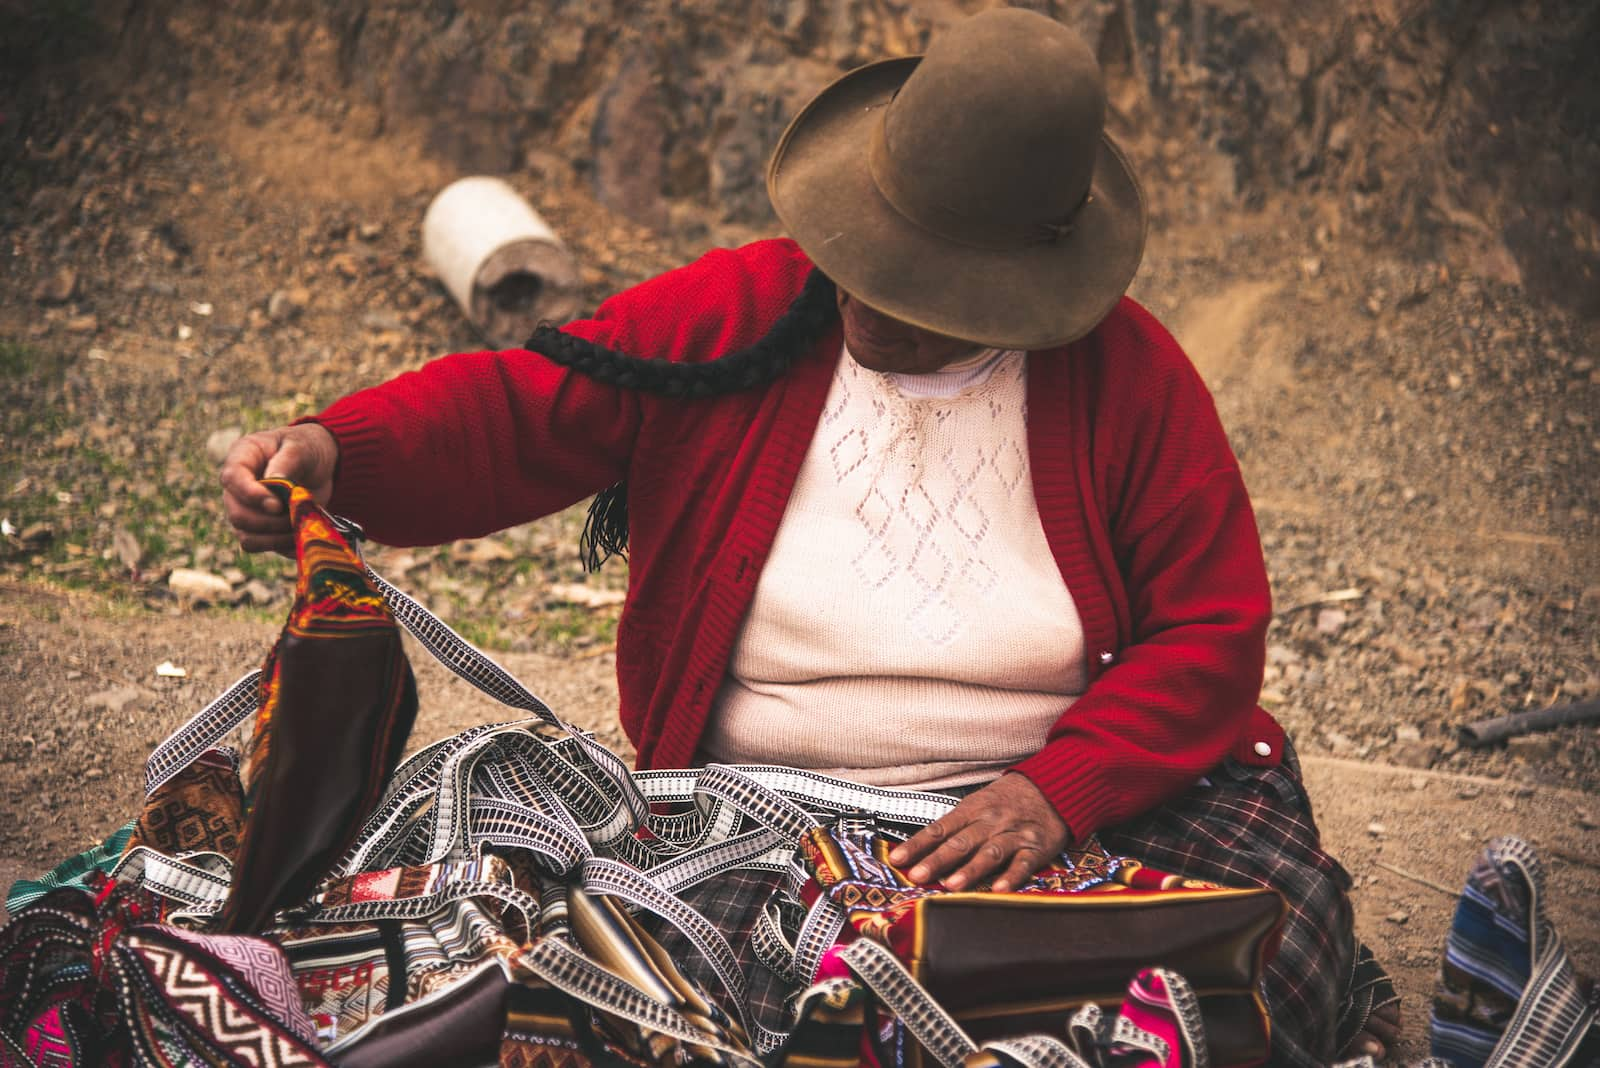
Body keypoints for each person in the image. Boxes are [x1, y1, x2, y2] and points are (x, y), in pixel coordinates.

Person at [221, 9, 1399, 1064]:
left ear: (1030, 281)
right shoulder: (739, 314)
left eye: (928, 294)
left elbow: (1208, 634)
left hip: (1084, 803)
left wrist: (1052, 795)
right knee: (606, 997)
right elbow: (523, 411)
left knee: (1257, 963)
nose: (872, 310)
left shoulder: (1131, 381)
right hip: (762, 815)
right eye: (864, 264)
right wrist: (340, 453)